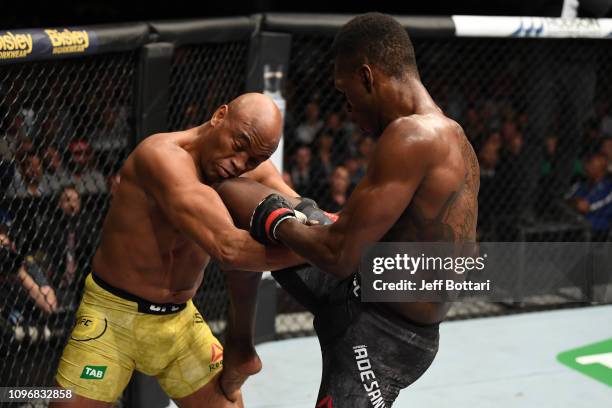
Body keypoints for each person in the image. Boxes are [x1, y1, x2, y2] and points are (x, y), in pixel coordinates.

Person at [240, 13, 479, 406]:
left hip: (381, 333)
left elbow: (338, 256)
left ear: (368, 77)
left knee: (264, 210)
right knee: (241, 190)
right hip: (370, 299)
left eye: (344, 90)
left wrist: (277, 222)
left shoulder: (411, 135)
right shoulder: (455, 136)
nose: (346, 106)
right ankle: (239, 348)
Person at [50, 93, 306, 408]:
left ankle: (239, 349)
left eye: (254, 159)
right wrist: (323, 252)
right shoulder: (160, 156)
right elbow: (229, 247)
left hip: (179, 322)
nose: (241, 163)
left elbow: (307, 212)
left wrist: (349, 236)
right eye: (238, 145)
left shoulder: (247, 166)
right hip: (111, 318)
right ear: (219, 115)